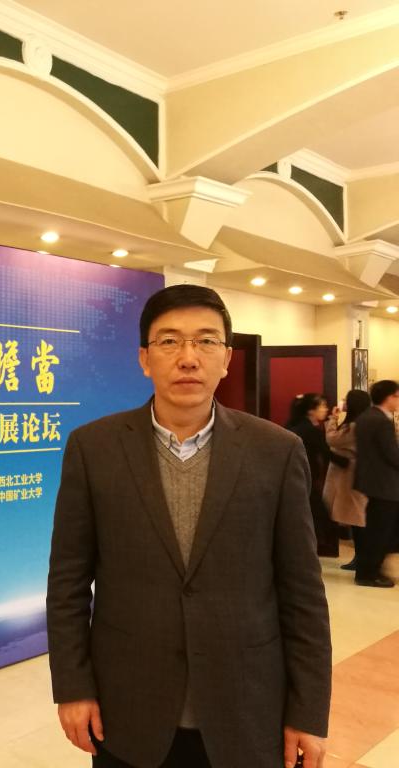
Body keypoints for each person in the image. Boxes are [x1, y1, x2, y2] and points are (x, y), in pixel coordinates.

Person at [47, 284, 330, 768]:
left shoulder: (276, 451)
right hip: (127, 708)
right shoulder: (93, 448)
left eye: (206, 341)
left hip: (247, 707)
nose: (188, 358)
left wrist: (308, 710)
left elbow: (302, 590)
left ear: (226, 358)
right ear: (144, 358)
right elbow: (67, 583)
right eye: (169, 341)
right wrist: (73, 687)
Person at [351, 379, 399, 588]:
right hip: (384, 484)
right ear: (389, 397)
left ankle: (369, 570)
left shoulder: (366, 417)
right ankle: (369, 573)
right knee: (379, 531)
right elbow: (392, 455)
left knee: (376, 529)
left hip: (373, 481)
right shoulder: (380, 421)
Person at [286, 393, 341, 556]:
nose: (325, 409)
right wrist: (350, 463)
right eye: (322, 406)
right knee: (318, 514)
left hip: (295, 476)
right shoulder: (309, 430)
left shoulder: (295, 425)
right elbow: (327, 453)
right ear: (311, 410)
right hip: (304, 477)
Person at [324, 390, 371, 570]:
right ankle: (360, 557)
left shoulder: (355, 426)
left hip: (349, 474)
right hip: (347, 473)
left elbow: (333, 439)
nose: (343, 402)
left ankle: (362, 558)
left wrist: (332, 418)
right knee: (354, 518)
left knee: (357, 517)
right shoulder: (356, 424)